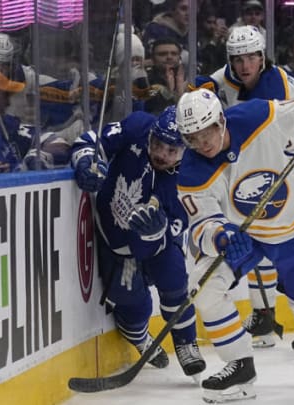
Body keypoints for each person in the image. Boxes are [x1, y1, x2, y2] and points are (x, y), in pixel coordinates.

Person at [175, 88, 294, 403]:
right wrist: (220, 236)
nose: (202, 143)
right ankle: (240, 365)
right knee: (204, 286)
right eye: (192, 138)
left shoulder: (258, 116)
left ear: (220, 121)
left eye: (207, 132)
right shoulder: (191, 170)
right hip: (245, 236)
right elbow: (199, 224)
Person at [193, 26, 294, 355]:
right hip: (281, 162)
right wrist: (199, 88)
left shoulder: (273, 85)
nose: (245, 65)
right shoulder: (230, 74)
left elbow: (277, 136)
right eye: (238, 59)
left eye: (252, 57)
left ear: (262, 57)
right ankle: (264, 315)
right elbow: (208, 84)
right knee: (260, 231)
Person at [70, 105, 206, 380]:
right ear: (151, 135)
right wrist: (86, 162)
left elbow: (179, 225)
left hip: (157, 243)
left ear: (185, 150)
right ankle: (139, 335)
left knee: (174, 277)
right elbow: (90, 141)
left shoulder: (190, 175)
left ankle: (185, 341)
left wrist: (157, 231)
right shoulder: (136, 128)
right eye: (158, 145)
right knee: (128, 298)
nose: (161, 155)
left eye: (172, 151)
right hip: (117, 241)